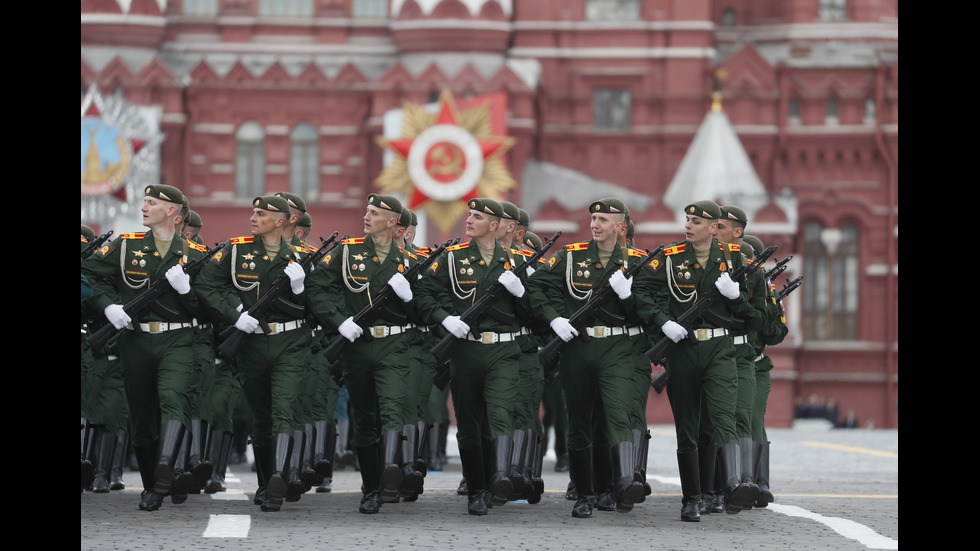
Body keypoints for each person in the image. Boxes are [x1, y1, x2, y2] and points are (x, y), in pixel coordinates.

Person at [82, 184, 208, 511]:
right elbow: (90, 275)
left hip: (177, 339)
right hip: (136, 339)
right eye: (144, 202)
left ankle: (166, 465)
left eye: (151, 203)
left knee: (172, 396)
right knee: (141, 416)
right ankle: (153, 484)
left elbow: (207, 308)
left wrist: (187, 293)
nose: (143, 207)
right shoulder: (126, 246)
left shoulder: (194, 255)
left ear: (172, 212)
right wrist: (109, 306)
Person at [525, 197, 649, 519]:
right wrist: (554, 319)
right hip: (578, 347)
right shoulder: (571, 256)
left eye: (603, 220)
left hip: (618, 349)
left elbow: (651, 309)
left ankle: (616, 486)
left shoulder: (638, 262)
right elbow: (536, 286)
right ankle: (584, 492)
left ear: (620, 227)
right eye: (593, 218)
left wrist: (628, 295)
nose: (595, 224)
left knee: (616, 415)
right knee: (579, 420)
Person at [636, 199, 758, 522]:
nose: (688, 225)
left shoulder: (733, 258)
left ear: (715, 228)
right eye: (687, 219)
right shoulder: (671, 258)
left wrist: (736, 296)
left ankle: (730, 484)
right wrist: (664, 322)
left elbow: (748, 311)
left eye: (696, 222)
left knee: (722, 416)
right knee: (687, 426)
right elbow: (642, 293)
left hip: (720, 348)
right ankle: (692, 498)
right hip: (684, 350)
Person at [195, 194, 312, 512]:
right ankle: (265, 482)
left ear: (281, 221)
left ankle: (278, 475)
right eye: (253, 212)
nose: (253, 217)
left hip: (290, 343)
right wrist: (235, 313)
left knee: (284, 408)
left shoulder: (303, 256)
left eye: (261, 213)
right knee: (261, 415)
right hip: (251, 343)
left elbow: (321, 306)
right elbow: (207, 285)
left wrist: (301, 289)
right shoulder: (236, 250)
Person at [414, 197, 529, 516]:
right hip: (466, 351)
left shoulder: (517, 260)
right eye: (469, 215)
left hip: (504, 349)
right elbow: (424, 294)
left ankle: (499, 477)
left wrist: (521, 292)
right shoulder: (451, 259)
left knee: (500, 413)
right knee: (469, 423)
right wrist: (446, 318)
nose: (469, 221)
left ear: (494, 226)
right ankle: (477, 489)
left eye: (477, 217)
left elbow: (537, 313)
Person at [305, 193, 416, 514]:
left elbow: (426, 308)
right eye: (366, 211)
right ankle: (371, 488)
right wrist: (339, 321)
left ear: (393, 222)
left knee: (393, 408)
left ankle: (390, 475)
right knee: (365, 416)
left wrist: (410, 297)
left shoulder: (410, 261)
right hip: (356, 345)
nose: (366, 217)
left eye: (375, 213)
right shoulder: (347, 251)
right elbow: (318, 288)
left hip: (394, 345)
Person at [742, 233, 788, 508]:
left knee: (753, 420)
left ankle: (760, 482)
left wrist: (763, 314)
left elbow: (777, 333)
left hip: (755, 364)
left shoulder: (769, 291)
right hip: (721, 360)